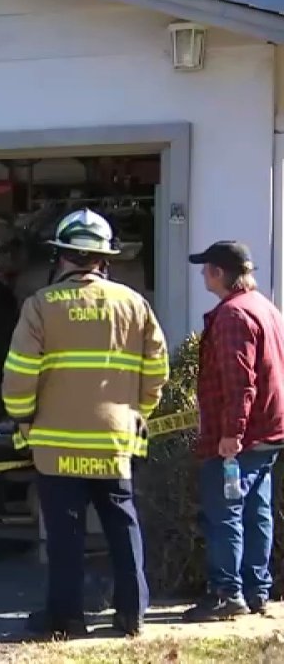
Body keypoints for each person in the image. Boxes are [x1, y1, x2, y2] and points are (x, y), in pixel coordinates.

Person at [1, 209, 169, 638]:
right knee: (122, 527)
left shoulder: (40, 307)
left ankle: (66, 620)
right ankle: (133, 616)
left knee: (65, 536)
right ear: (103, 259)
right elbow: (156, 372)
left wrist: (22, 419)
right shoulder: (134, 305)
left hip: (55, 447)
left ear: (61, 258)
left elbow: (19, 375)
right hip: (114, 444)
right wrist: (138, 414)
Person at [183, 241, 284, 622]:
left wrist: (231, 434)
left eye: (206, 268)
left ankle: (227, 593)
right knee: (257, 510)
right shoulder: (266, 309)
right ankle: (257, 589)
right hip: (269, 432)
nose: (202, 274)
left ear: (220, 273)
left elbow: (239, 382)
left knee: (225, 513)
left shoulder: (232, 317)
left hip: (237, 438)